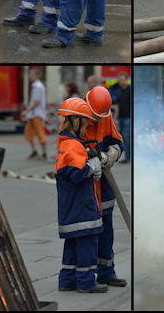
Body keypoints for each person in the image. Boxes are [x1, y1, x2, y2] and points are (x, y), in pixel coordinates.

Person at [55, 98, 105, 294]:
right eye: (85, 124)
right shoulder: (74, 145)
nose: (86, 129)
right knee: (87, 243)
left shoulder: (65, 143)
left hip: (69, 205)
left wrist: (91, 164)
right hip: (82, 206)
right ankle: (86, 282)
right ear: (76, 122)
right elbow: (76, 174)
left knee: (73, 242)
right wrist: (92, 167)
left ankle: (67, 280)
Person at [83, 86, 126, 288]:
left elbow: (118, 141)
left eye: (100, 117)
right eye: (94, 117)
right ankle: (86, 276)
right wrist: (91, 163)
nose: (97, 121)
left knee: (106, 230)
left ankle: (106, 272)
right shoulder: (76, 117)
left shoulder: (105, 117)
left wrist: (114, 153)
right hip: (86, 185)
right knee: (88, 232)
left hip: (105, 186)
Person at [21, 68, 47, 160]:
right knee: (28, 133)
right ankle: (35, 151)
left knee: (40, 133)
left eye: (31, 75)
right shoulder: (36, 85)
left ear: (37, 76)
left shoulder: (38, 86)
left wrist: (26, 111)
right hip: (33, 114)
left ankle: (44, 153)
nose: (29, 76)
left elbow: (36, 101)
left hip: (37, 114)